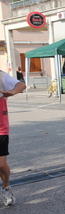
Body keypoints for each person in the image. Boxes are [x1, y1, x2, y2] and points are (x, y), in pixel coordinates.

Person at [0, 70, 26, 206]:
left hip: (0, 127)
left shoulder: (1, 76)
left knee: (1, 165)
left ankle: (6, 186)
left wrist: (12, 92)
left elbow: (21, 85)